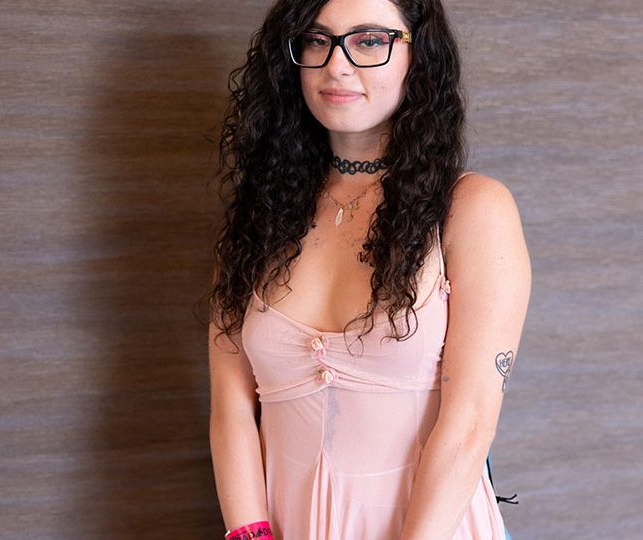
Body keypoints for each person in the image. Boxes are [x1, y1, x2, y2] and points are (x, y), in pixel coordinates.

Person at [207, 0, 532, 538]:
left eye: (369, 41)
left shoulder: (472, 208)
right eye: (317, 40)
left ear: (419, 55)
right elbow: (231, 406)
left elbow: (470, 423)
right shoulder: (256, 218)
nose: (336, 65)